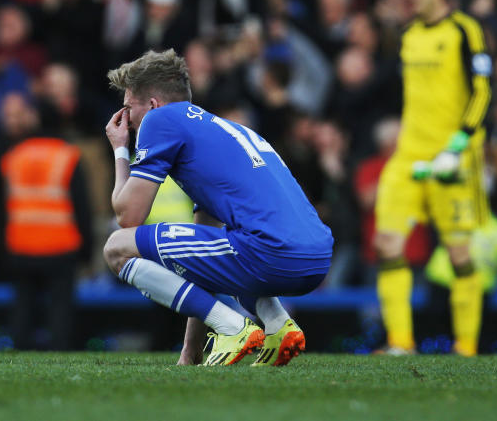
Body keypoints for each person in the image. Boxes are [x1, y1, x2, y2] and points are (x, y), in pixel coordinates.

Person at [102, 49, 334, 366]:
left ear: (154, 104)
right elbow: (203, 256)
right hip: (316, 258)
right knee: (227, 244)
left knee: (116, 248)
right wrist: (190, 350)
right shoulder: (221, 132)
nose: (127, 122)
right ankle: (278, 326)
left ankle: (234, 327)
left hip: (273, 253)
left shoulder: (161, 119)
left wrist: (119, 150)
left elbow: (128, 216)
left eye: (129, 109)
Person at [374, 0, 492, 356]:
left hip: (454, 160)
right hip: (409, 157)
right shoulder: (408, 35)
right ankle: (400, 344)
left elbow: (482, 91)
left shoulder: (465, 30)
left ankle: (467, 348)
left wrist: (459, 145)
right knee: (387, 242)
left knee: (460, 253)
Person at [0, 93, 93, 350]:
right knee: (61, 310)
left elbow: (1, 208)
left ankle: (18, 357)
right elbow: (82, 206)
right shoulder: (68, 155)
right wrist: (87, 248)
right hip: (60, 246)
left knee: (22, 309)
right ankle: (60, 356)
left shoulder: (13, 156)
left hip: (21, 245)